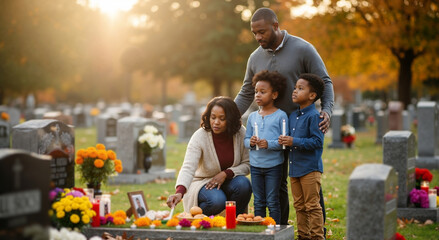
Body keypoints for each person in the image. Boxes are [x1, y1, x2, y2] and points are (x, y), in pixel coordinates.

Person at [234, 7, 334, 229]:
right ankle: (280, 229)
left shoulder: (303, 49)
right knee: (277, 184)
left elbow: (324, 82)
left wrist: (326, 110)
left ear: (276, 26)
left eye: (262, 32)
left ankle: (318, 230)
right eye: (254, 33)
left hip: (301, 128)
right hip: (272, 132)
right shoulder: (254, 57)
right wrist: (228, 115)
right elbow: (246, 92)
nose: (258, 37)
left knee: (309, 183)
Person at [166, 96, 252, 216]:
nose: (216, 122)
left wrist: (226, 174)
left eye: (222, 118)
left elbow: (247, 163)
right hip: (203, 183)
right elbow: (188, 167)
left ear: (231, 119)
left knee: (244, 184)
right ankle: (197, 217)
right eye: (213, 117)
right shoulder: (200, 136)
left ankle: (232, 219)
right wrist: (179, 192)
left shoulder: (240, 133)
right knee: (216, 200)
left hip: (229, 181)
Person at [278, 73, 325, 239]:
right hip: (295, 168)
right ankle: (303, 236)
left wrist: (293, 141)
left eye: (300, 88)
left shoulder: (314, 116)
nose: (295, 91)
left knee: (312, 205)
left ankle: (318, 236)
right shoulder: (292, 116)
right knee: (299, 205)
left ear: (312, 96)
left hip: (310, 169)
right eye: (295, 87)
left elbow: (317, 142)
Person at [244, 70, 288, 224]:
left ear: (274, 95)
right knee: (258, 201)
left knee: (272, 201)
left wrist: (269, 143)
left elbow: (284, 142)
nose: (258, 95)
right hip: (255, 166)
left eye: (263, 92)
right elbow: (245, 140)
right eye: (256, 91)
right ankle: (260, 229)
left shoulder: (281, 116)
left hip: (273, 166)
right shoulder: (252, 117)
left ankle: (274, 230)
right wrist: (250, 142)